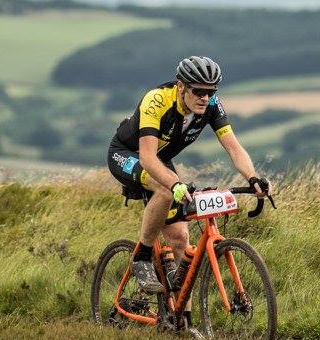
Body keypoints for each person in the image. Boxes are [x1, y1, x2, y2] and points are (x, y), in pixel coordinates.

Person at [106, 55, 270, 320]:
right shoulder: (157, 100)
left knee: (181, 239)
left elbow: (233, 147)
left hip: (160, 159)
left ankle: (183, 321)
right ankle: (142, 256)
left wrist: (253, 178)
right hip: (129, 153)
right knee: (164, 188)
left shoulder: (212, 105)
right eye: (199, 91)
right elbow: (148, 158)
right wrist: (175, 184)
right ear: (181, 87)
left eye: (211, 91)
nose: (205, 97)